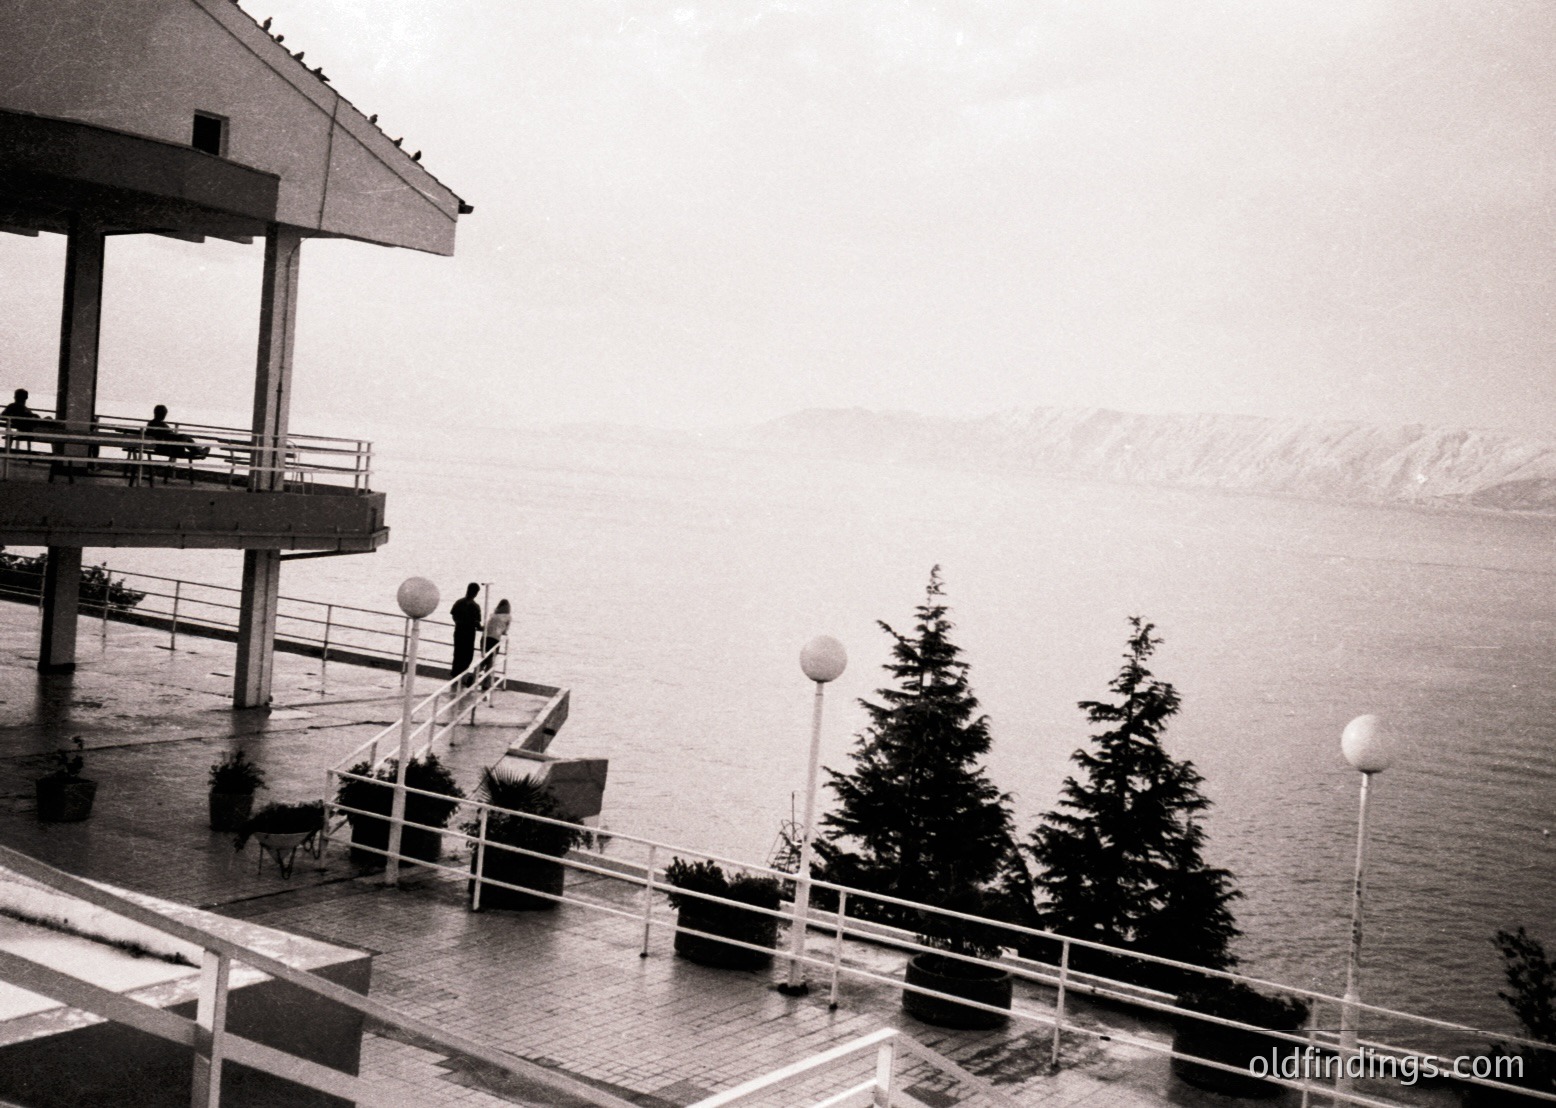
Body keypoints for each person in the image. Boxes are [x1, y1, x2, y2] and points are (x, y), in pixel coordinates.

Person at [449, 583, 482, 685]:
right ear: (476, 593)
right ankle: (462, 676)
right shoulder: (475, 606)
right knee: (467, 656)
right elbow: (477, 623)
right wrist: (481, 628)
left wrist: (459, 623)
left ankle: (455, 676)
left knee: (458, 654)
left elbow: (453, 615)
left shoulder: (459, 602)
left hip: (459, 631)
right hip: (469, 634)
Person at [480, 599, 511, 685]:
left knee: (483, 659)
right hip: (494, 639)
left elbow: (486, 625)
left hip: (485, 638)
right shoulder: (508, 617)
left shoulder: (493, 615)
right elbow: (505, 631)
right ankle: (486, 683)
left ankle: (474, 677)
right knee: (490, 661)